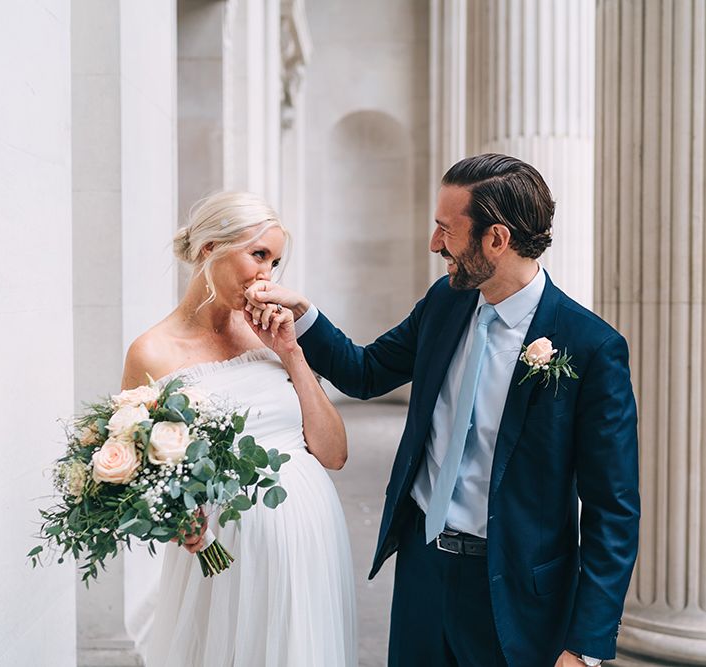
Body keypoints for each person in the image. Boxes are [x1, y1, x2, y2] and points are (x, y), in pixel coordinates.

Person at [245, 154, 640, 667]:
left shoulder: (590, 347)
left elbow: (614, 509)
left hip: (518, 598)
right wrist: (302, 315)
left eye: (445, 229)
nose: (434, 244)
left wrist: (585, 645)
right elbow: (366, 372)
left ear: (496, 239)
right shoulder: (445, 302)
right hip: (422, 575)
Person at [122, 191, 357, 667]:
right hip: (223, 550)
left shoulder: (271, 336)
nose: (266, 274)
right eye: (258, 255)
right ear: (210, 249)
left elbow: (333, 453)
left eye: (274, 261)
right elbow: (134, 473)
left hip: (309, 535)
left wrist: (291, 353)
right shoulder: (151, 352)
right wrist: (175, 520)